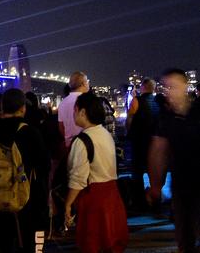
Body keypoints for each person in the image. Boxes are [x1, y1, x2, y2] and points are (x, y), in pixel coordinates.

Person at [0, 88, 49, 252]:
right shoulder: (29, 132)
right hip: (26, 197)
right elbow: (43, 165)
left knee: (3, 242)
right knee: (30, 242)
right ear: (23, 108)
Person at [64, 92, 128, 253]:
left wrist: (68, 203)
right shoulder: (105, 134)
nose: (73, 114)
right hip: (112, 196)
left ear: (83, 112)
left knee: (92, 243)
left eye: (75, 110)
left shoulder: (82, 141)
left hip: (93, 199)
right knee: (111, 243)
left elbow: (78, 179)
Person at [148, 68, 200, 252]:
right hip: (180, 186)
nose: (169, 91)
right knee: (185, 238)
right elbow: (158, 152)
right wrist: (156, 185)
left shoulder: (197, 112)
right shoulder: (165, 118)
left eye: (173, 86)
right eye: (166, 87)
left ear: (185, 86)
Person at [125, 78, 159, 210]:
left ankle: (140, 202)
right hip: (156, 142)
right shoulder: (159, 102)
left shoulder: (137, 101)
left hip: (139, 142)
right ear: (154, 88)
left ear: (142, 87)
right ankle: (156, 201)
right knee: (154, 173)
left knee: (137, 173)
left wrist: (129, 132)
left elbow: (129, 119)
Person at [58, 72, 90, 148]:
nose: (88, 83)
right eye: (87, 81)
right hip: (87, 145)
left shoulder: (62, 103)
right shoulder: (88, 101)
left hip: (69, 145)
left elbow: (61, 127)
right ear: (83, 84)